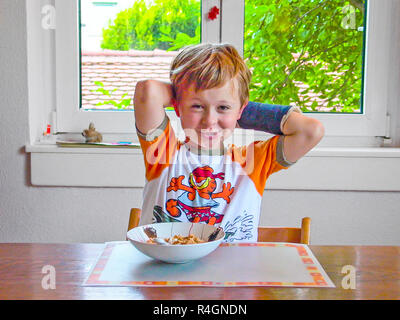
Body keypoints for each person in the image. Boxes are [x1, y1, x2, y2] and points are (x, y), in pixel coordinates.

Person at [134, 43, 324, 242]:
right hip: (163, 271)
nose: (209, 120)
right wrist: (214, 103)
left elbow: (311, 131)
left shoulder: (252, 161)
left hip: (234, 271)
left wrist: (235, 110)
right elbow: (148, 92)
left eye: (223, 107)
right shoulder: (164, 153)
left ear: (241, 109)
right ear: (178, 107)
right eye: (197, 106)